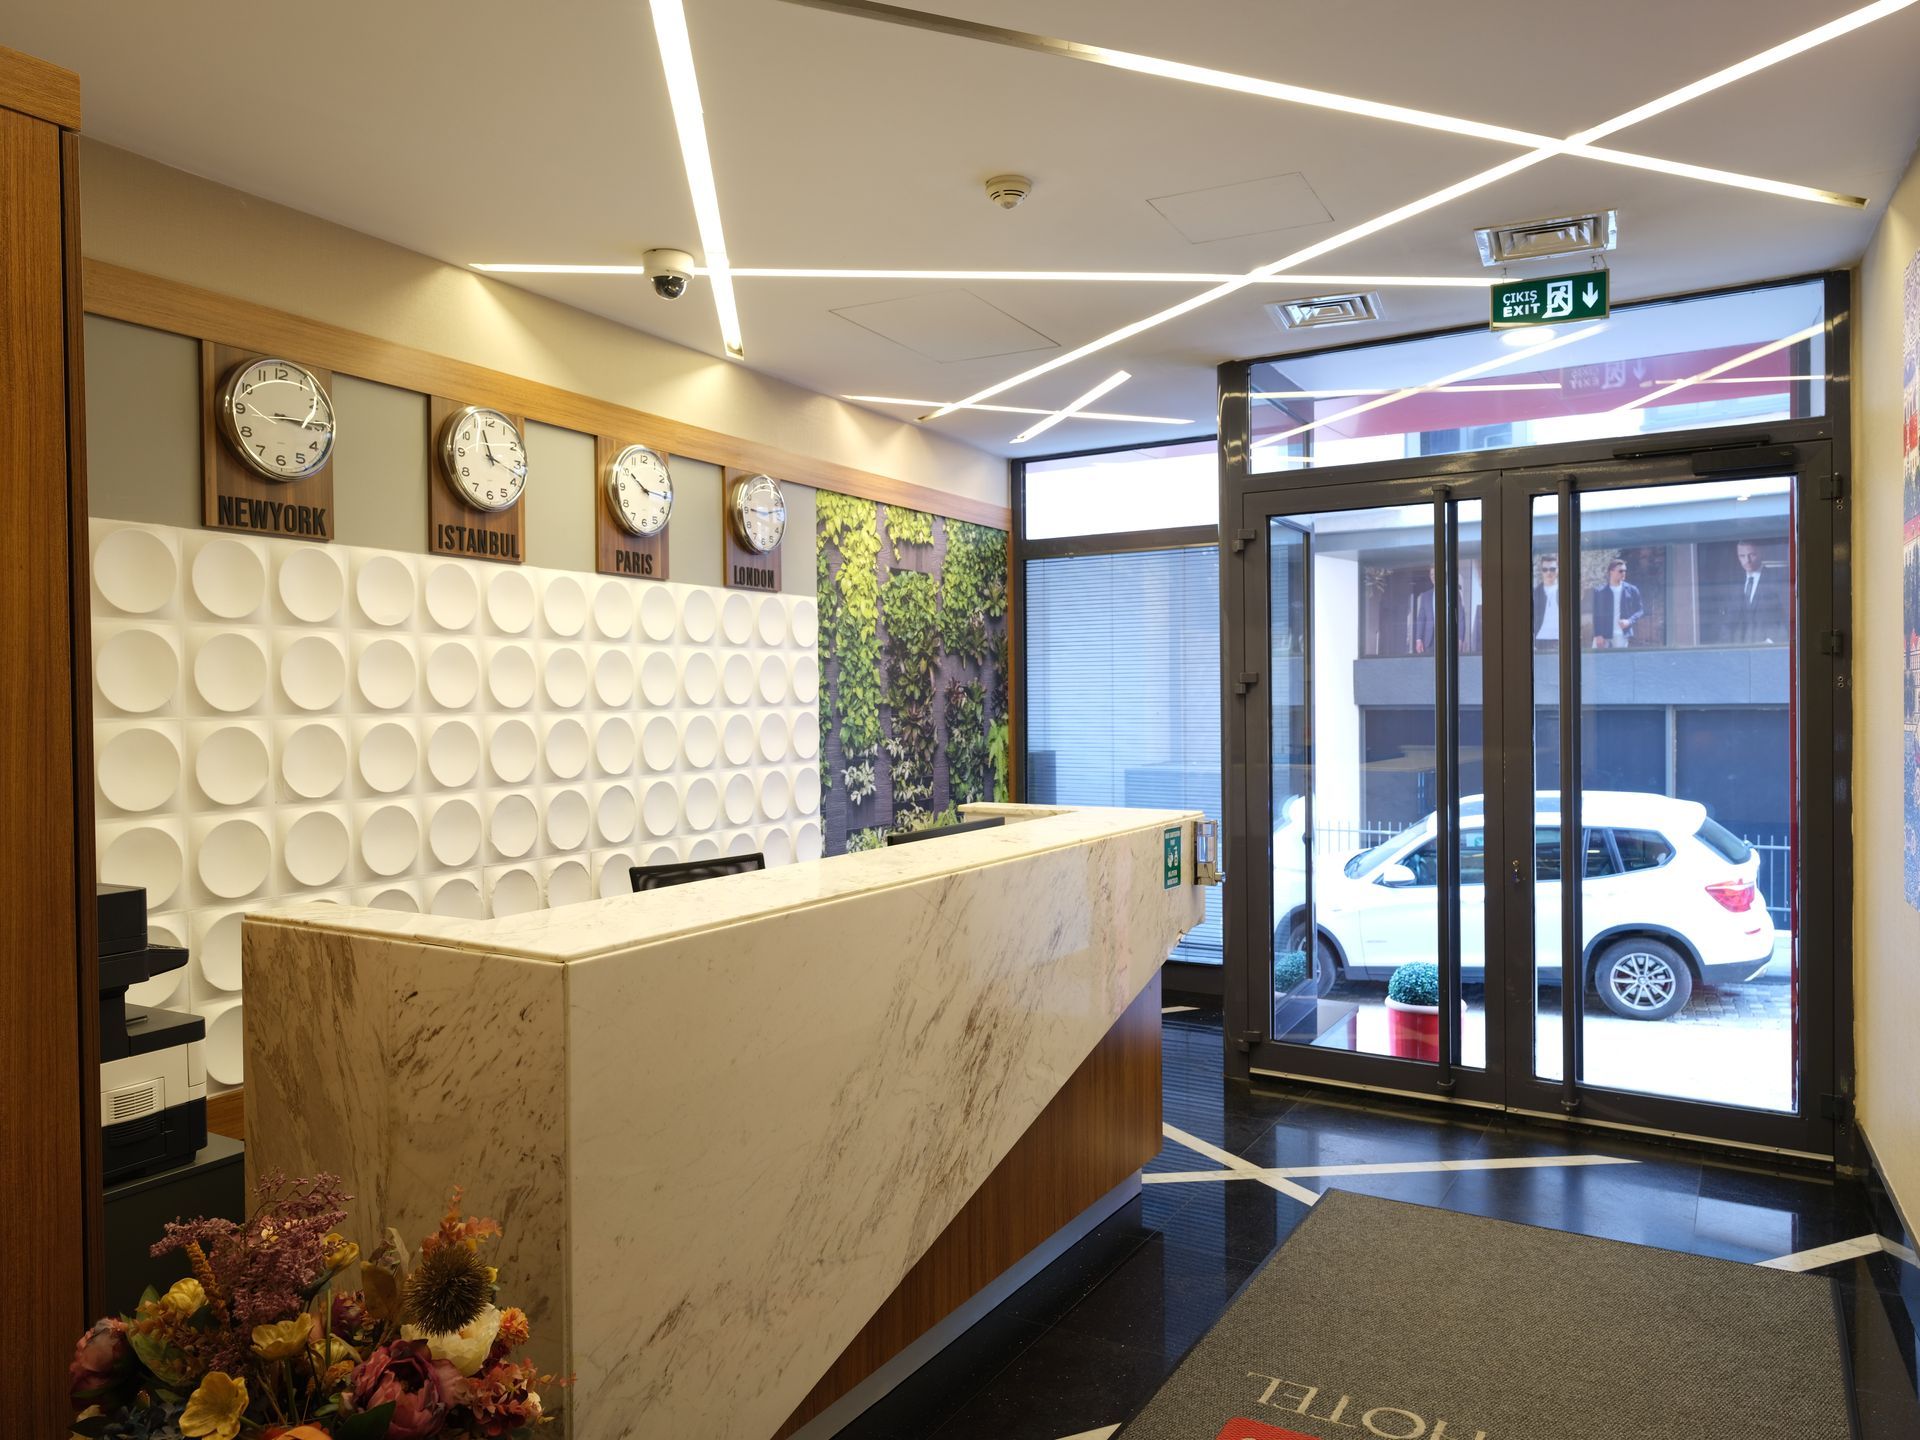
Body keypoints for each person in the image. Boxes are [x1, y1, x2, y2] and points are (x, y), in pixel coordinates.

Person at [1725, 540, 1788, 645]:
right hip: (1740, 651)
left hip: (1769, 650)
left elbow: (1788, 617)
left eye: (1752, 555)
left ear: (1761, 553)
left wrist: (1770, 642)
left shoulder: (1777, 579)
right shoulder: (1735, 583)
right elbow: (1728, 623)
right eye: (1742, 556)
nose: (1747, 560)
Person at [1590, 558, 1645, 649]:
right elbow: (1596, 615)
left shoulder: (1632, 590)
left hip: (1621, 634)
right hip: (1603, 634)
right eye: (1620, 571)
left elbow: (1640, 610)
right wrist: (1598, 634)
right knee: (1598, 661)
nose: (1623, 573)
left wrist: (1629, 621)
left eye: (1625, 571)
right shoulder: (1600, 591)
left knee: (1620, 661)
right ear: (1611, 572)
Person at [1531, 556, 1560, 650]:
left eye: (1552, 569)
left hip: (1561, 638)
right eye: (1545, 569)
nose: (1549, 572)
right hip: (1541, 640)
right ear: (1541, 571)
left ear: (1558, 570)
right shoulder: (1535, 594)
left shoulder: (1566, 591)